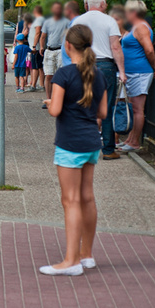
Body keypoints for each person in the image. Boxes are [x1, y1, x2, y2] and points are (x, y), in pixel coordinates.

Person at [40, 24, 107, 276]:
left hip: (70, 144)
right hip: (92, 143)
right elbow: (102, 113)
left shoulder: (64, 74)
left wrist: (49, 103)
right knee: (87, 197)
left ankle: (70, 262)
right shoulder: (98, 75)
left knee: (70, 201)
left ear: (67, 46)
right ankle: (86, 255)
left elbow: (56, 110)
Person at [73, 0, 125, 160]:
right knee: (106, 108)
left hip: (83, 65)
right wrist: (122, 72)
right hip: (105, 66)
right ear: (102, 4)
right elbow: (115, 47)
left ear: (88, 4)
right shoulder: (109, 21)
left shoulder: (79, 21)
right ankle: (108, 150)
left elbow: (73, 46)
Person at [120, 0, 155, 152]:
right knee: (134, 108)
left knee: (137, 109)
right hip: (133, 72)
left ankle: (135, 142)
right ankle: (130, 139)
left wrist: (154, 67)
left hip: (139, 73)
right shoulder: (135, 27)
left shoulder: (141, 27)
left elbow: (149, 50)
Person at [40, 2, 70, 101]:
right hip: (49, 49)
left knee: (60, 75)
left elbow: (70, 35)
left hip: (61, 50)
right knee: (48, 75)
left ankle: (59, 99)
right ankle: (48, 98)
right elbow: (43, 36)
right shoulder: (47, 22)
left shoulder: (66, 22)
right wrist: (41, 47)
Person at [28, 6, 45, 91]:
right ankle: (40, 85)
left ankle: (34, 85)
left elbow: (38, 32)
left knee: (36, 67)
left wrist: (34, 46)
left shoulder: (39, 20)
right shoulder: (40, 19)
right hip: (36, 47)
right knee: (39, 66)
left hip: (36, 48)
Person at [61, 1, 81, 68]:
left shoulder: (76, 24)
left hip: (73, 66)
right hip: (70, 66)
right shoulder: (72, 23)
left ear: (69, 11)